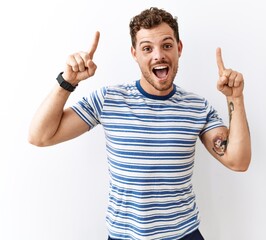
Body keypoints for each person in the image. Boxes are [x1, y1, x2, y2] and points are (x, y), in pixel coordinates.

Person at [28, 7, 251, 240]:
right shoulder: (108, 100)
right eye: (147, 48)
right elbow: (40, 136)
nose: (158, 55)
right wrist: (68, 81)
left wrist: (235, 98)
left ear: (179, 48)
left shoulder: (197, 107)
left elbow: (238, 161)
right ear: (134, 53)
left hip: (183, 234)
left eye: (167, 45)